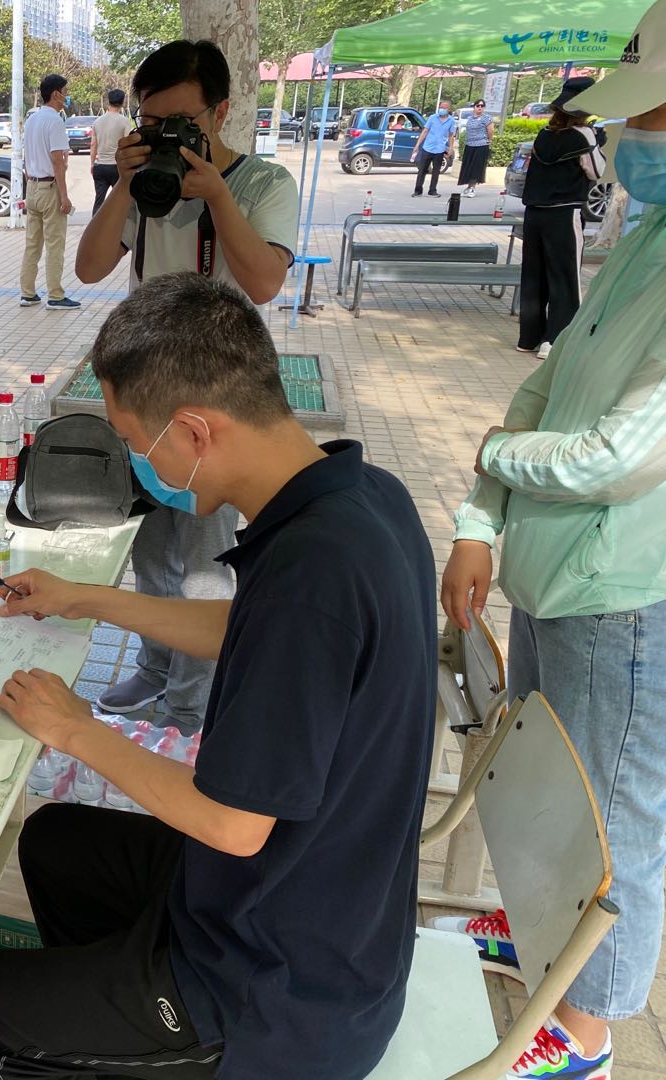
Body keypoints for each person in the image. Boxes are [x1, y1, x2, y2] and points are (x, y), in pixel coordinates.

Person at [0, 272, 436, 1080]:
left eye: (135, 443)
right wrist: (86, 599)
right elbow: (251, 631)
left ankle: (165, 1039)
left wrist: (76, 730)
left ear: (196, 432)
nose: (137, 464)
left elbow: (235, 826)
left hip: (279, 991)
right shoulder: (363, 497)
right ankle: (120, 1034)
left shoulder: (314, 578)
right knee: (56, 842)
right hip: (298, 896)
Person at [438, 10, 666, 1073]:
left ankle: (586, 1031)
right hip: (548, 576)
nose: (628, 140)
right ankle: (541, 942)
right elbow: (544, 386)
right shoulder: (646, 239)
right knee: (537, 782)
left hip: (621, 599)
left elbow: (618, 455)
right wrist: (479, 518)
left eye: (650, 118)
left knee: (611, 819)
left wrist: (497, 457)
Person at [76, 39, 298, 731]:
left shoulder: (263, 183)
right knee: (150, 551)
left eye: (180, 122)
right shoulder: (147, 183)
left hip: (217, 408)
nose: (165, 135)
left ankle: (189, 705)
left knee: (206, 566)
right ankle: (154, 668)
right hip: (147, 396)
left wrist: (218, 197)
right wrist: (123, 184)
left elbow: (264, 282)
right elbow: (87, 268)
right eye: (151, 122)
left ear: (221, 112)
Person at [515, 76, 607, 358]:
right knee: (565, 277)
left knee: (534, 275)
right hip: (564, 214)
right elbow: (597, 171)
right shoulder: (584, 135)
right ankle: (554, 340)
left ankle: (528, 338)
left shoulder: (544, 134)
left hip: (534, 214)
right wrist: (597, 144)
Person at [18, 74, 80, 309]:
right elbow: (57, 161)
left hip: (32, 188)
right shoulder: (55, 121)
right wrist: (64, 196)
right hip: (49, 188)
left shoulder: (32, 119)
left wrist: (30, 183)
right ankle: (55, 295)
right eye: (65, 91)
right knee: (55, 244)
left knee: (32, 244)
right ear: (56, 94)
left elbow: (26, 158)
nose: (67, 96)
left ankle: (27, 293)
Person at [89, 88, 131, 215]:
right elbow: (127, 144)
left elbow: (93, 145)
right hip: (117, 167)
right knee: (120, 200)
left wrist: (92, 164)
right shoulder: (124, 121)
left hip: (100, 166)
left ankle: (95, 225)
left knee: (99, 200)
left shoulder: (97, 122)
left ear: (109, 101)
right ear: (123, 102)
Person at [410, 97, 456, 196]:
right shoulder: (432, 118)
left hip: (440, 149)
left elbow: (451, 136)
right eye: (441, 107)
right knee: (422, 170)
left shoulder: (451, 121)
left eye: (444, 108)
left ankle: (432, 190)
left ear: (448, 109)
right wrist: (417, 145)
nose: (442, 109)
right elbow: (425, 131)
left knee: (436, 171)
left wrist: (451, 148)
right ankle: (418, 190)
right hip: (428, 147)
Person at [457, 99, 495, 196]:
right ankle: (468, 187)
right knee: (468, 167)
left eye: (482, 106)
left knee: (476, 167)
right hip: (470, 145)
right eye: (478, 105)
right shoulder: (470, 118)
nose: (480, 107)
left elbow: (490, 130)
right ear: (474, 107)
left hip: (481, 145)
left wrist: (488, 140)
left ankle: (472, 188)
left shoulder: (487, 118)